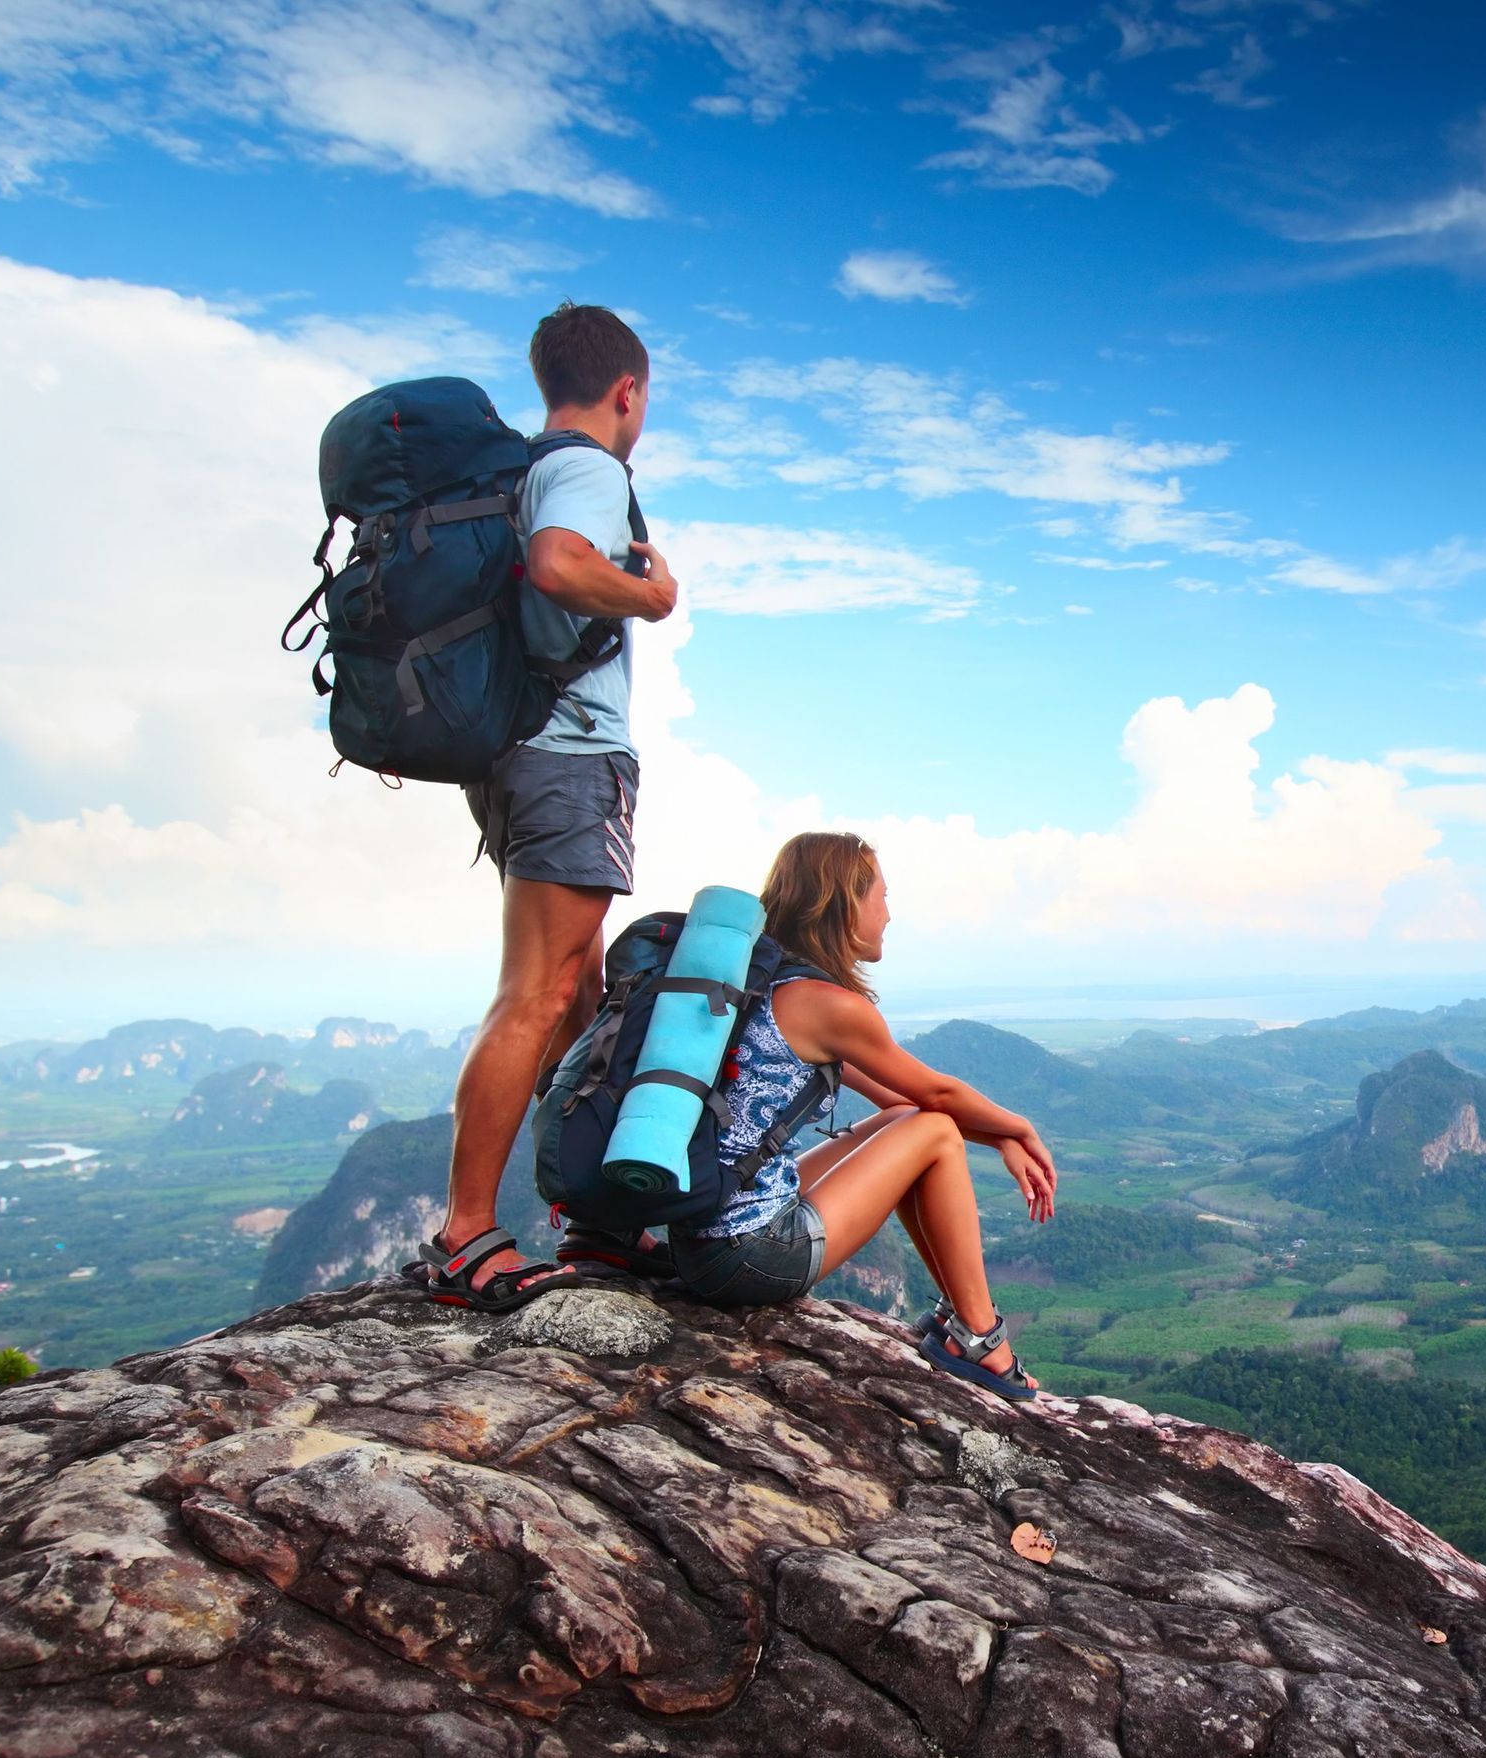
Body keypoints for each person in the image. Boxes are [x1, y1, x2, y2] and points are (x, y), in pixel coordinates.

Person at [418, 303, 679, 1307]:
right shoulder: (587, 470)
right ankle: (467, 1237)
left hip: (519, 754)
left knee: (574, 995)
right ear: (628, 392)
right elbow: (559, 563)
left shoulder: (522, 472)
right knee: (537, 993)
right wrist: (651, 598)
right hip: (566, 757)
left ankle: (593, 1221)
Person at [669, 831, 1058, 1400]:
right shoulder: (828, 1005)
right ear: (844, 903)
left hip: (700, 1238)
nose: (889, 914)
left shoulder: (761, 982)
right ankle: (979, 1335)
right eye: (882, 895)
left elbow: (902, 1103)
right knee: (933, 1131)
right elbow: (939, 1096)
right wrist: (1019, 1128)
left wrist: (998, 1139)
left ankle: (959, 1314)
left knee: (906, 1124)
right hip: (750, 1256)